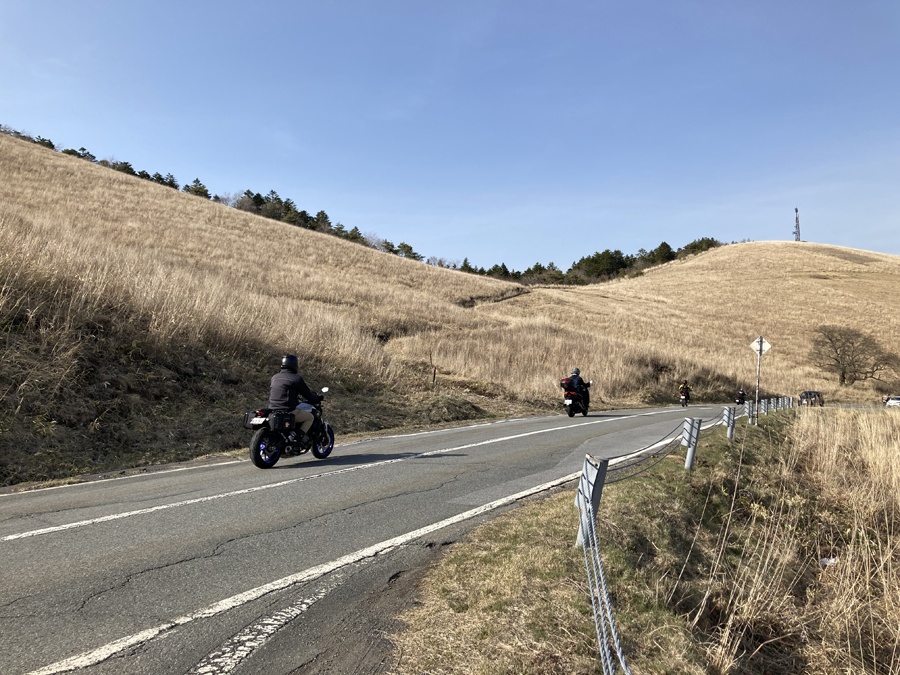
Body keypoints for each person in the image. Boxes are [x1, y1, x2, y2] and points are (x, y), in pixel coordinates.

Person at [268, 354, 322, 441]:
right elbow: (309, 395)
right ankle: (298, 438)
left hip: (273, 409)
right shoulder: (296, 379)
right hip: (288, 410)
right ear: (295, 365)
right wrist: (317, 398)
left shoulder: (275, 377)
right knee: (310, 417)